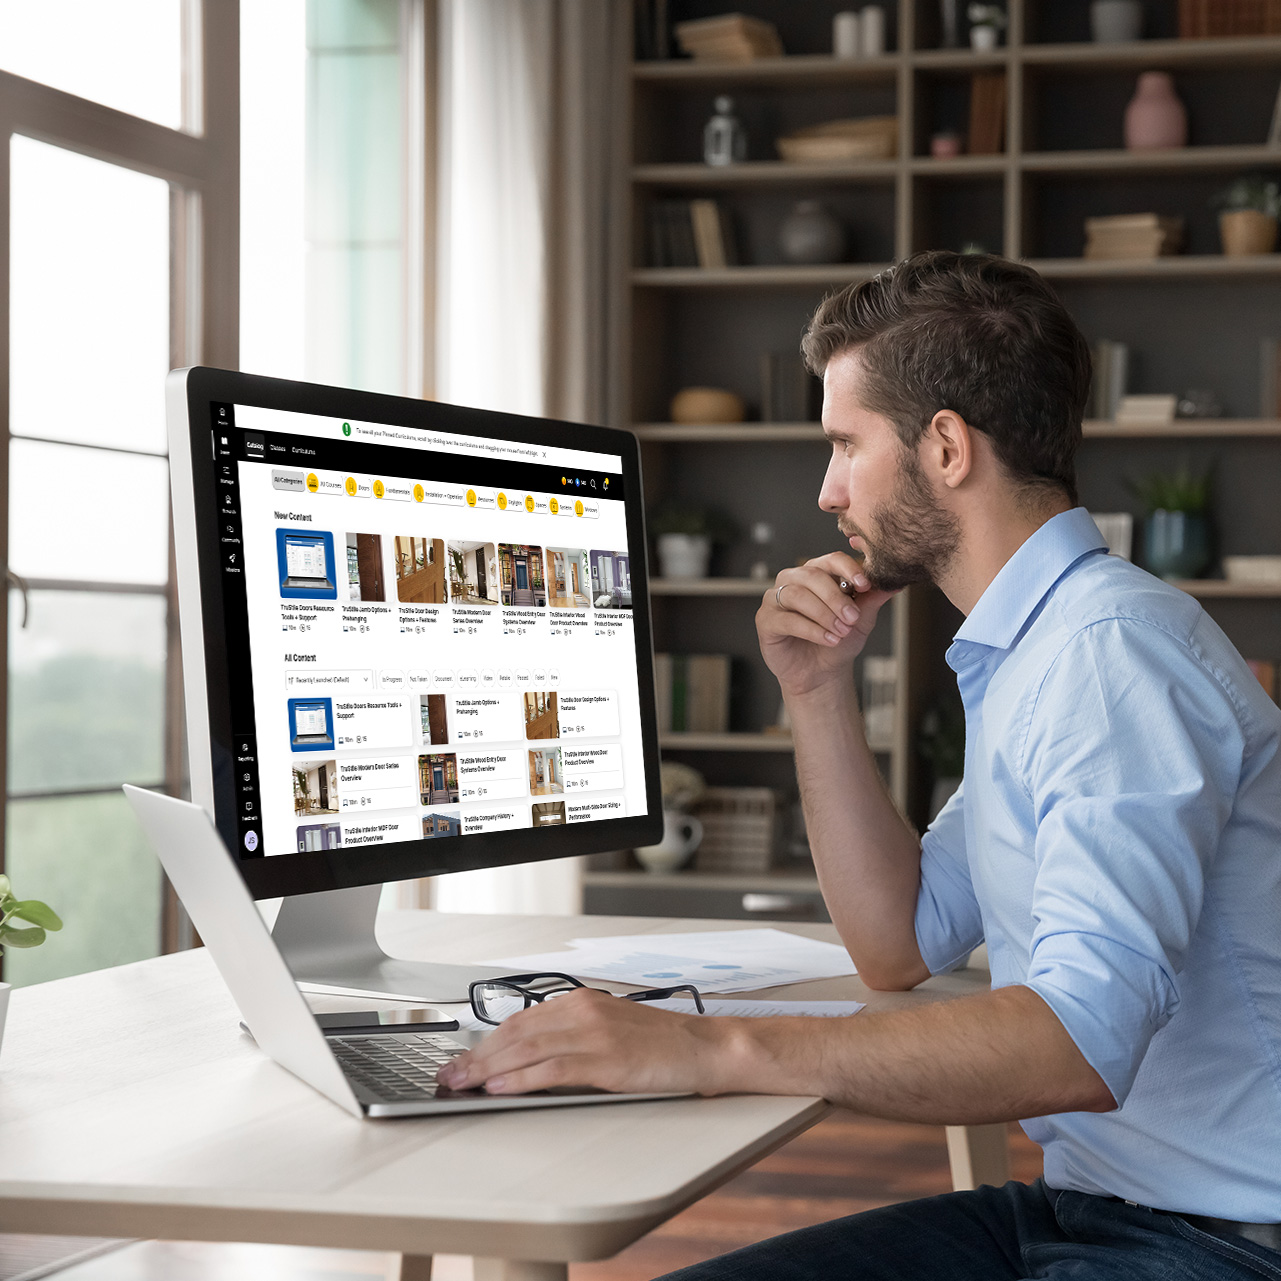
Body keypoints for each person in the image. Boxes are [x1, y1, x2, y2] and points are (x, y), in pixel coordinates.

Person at [438, 252, 1281, 1279]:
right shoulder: (1041, 650)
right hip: (1090, 1212)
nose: (828, 488)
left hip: (1218, 1244)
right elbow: (899, 940)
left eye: (846, 443)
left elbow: (1078, 1044)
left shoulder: (1109, 656)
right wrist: (815, 687)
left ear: (946, 447)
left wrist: (709, 1051)